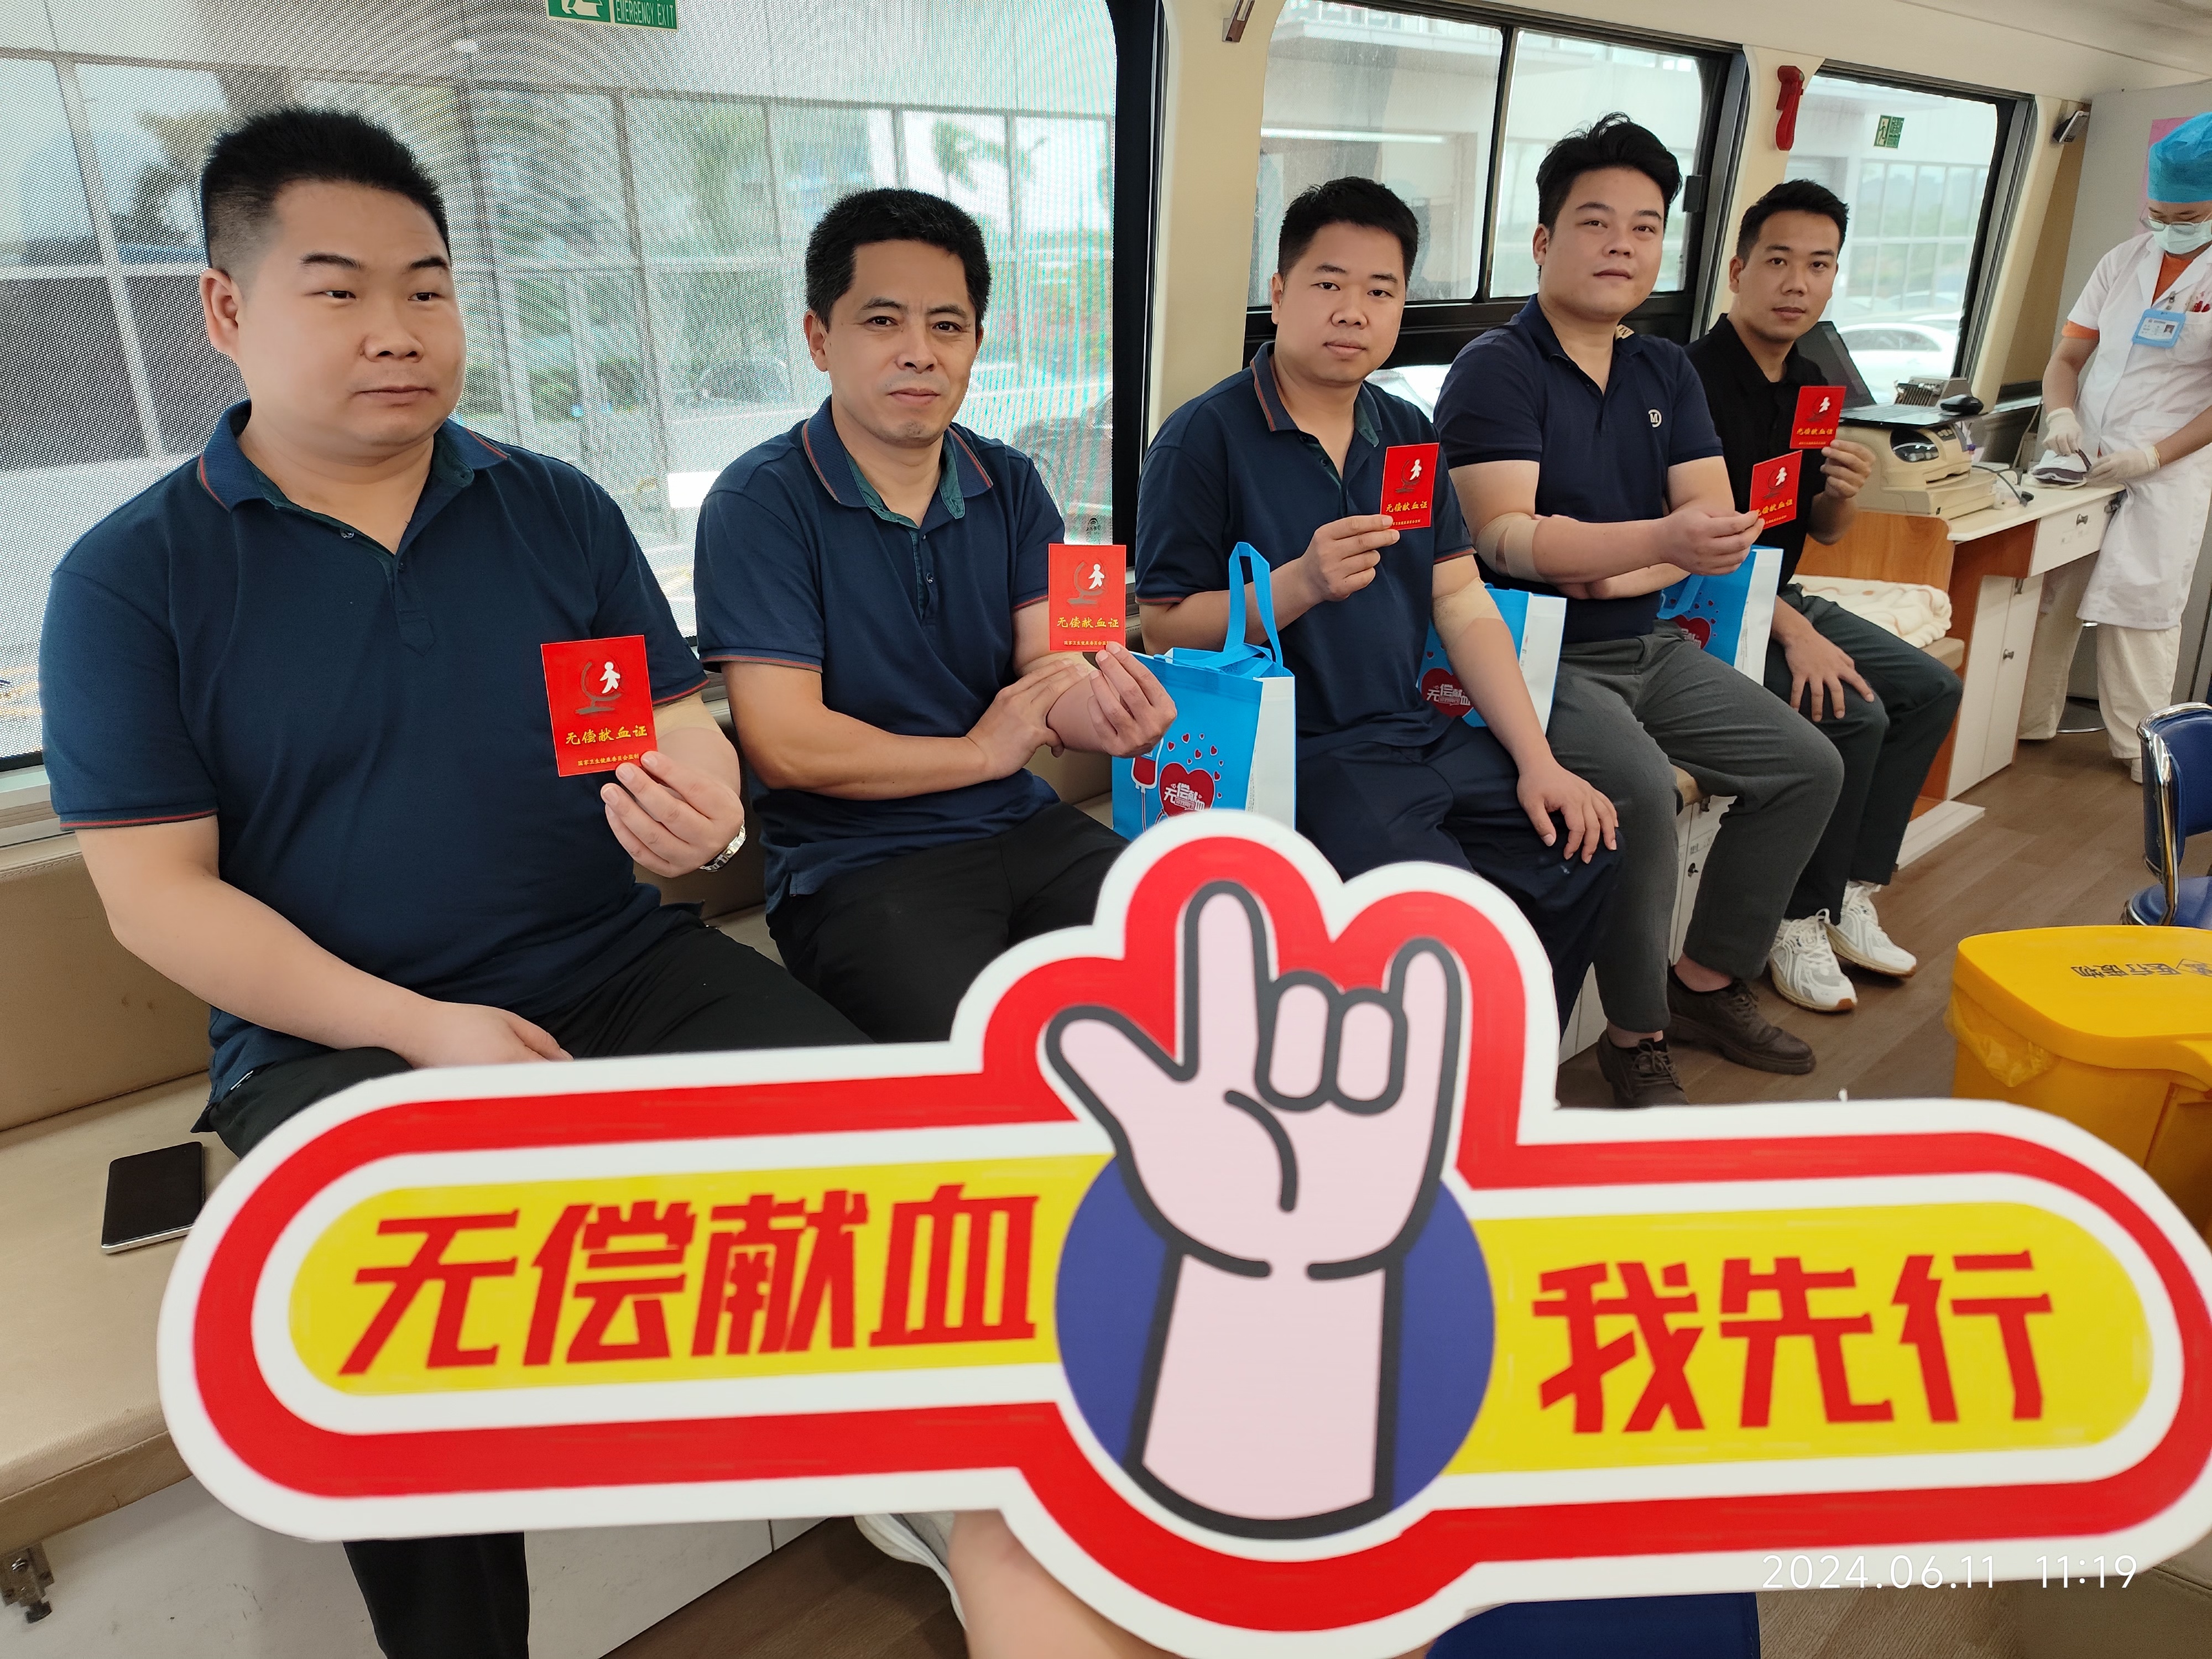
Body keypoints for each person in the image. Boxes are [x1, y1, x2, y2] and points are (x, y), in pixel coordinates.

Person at [36, 109, 864, 1659]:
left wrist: (704, 822)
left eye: (427, 289)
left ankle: (947, 1519)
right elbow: (158, 899)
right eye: (338, 290)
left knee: (882, 1143)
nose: (398, 331)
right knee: (397, 1322)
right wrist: (423, 1029)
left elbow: (670, 735)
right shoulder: (130, 582)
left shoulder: (555, 510)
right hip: (331, 1040)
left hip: (612, 963)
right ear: (224, 309)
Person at [695, 188, 1173, 1051]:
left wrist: (1103, 713)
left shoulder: (1012, 482)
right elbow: (787, 743)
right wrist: (979, 753)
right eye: (883, 321)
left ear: (976, 345)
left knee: (1201, 971)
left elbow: (1051, 666)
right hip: (858, 867)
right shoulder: (758, 503)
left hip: (1024, 824)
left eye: (947, 326)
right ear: (819, 339)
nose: (919, 351)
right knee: (996, 1064)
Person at [1135, 176, 1620, 1026]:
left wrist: (1538, 759)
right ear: (1279, 293)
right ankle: (1435, 1077)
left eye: (1380, 291)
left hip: (1411, 731)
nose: (1352, 312)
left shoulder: (1407, 432)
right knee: (1447, 927)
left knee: (1582, 846)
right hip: (1303, 753)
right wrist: (1300, 584)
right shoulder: (1203, 438)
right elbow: (1165, 627)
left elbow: (1460, 601)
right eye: (1328, 283)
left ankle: (1505, 1069)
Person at [1433, 114, 1843, 1108]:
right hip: (1539, 658)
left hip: (1649, 642)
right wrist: (1651, 547)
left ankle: (1704, 980)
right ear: (1544, 241)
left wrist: (1608, 565)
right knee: (1643, 796)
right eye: (1596, 222)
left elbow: (1712, 526)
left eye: (1646, 227)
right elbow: (1505, 540)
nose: (1622, 245)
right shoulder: (1497, 368)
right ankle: (1635, 1035)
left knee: (1807, 765)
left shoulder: (1663, 369)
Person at [1686, 180, 1962, 1014]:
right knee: (1852, 711)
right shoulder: (1689, 379)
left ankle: (1848, 892)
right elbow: (1699, 544)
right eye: (1779, 261)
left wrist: (1843, 492)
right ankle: (1794, 917)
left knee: (1929, 688)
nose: (1797, 283)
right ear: (1738, 269)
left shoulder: (1813, 383)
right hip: (1706, 605)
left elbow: (1825, 531)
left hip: (1782, 591)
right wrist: (1798, 635)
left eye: (1819, 265)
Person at [2020, 112, 2212, 780]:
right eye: (2157, 214)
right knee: (2051, 595)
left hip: (2166, 470)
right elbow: (2067, 358)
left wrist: (2153, 456)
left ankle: (2145, 755)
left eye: (2187, 216)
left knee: (2141, 610)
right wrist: (2060, 417)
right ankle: (2023, 722)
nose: (2168, 227)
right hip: (2083, 459)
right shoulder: (2122, 261)